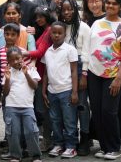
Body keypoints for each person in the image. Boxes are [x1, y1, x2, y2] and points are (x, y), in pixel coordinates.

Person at [88, 0, 121, 160]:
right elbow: (89, 47)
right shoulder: (97, 23)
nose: (110, 6)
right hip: (94, 73)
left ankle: (115, 147)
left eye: (114, 3)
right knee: (98, 111)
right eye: (108, 3)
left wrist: (118, 78)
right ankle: (104, 146)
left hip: (113, 75)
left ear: (120, 7)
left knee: (109, 111)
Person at [58, 0, 91, 156]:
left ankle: (85, 138)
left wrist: (84, 74)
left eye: (70, 9)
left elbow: (86, 52)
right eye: (63, 9)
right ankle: (71, 139)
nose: (67, 12)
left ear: (75, 9)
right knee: (67, 103)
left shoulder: (84, 27)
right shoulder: (60, 27)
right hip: (63, 67)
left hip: (79, 66)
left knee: (82, 104)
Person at [42, 21, 79, 159]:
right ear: (50, 34)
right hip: (52, 92)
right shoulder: (48, 51)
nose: (56, 35)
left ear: (65, 34)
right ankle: (58, 144)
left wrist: (74, 92)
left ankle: (71, 146)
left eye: (59, 33)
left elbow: (74, 71)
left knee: (69, 120)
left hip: (67, 90)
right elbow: (46, 73)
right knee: (55, 119)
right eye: (54, 33)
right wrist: (44, 91)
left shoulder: (70, 50)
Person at [22, 6, 55, 152]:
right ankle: (47, 139)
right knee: (41, 109)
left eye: (41, 16)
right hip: (40, 74)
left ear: (47, 16)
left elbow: (41, 52)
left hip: (43, 76)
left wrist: (23, 53)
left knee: (44, 110)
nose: (38, 19)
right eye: (37, 17)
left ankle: (48, 140)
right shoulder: (44, 30)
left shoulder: (49, 31)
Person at [2, 46, 42, 162]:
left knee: (31, 131)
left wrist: (26, 74)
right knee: (13, 132)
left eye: (17, 58)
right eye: (12, 60)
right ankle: (15, 155)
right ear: (8, 61)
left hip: (27, 107)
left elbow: (34, 86)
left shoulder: (31, 70)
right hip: (11, 107)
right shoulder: (8, 72)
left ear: (22, 57)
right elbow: (5, 93)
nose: (15, 62)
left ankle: (35, 155)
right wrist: (8, 79)